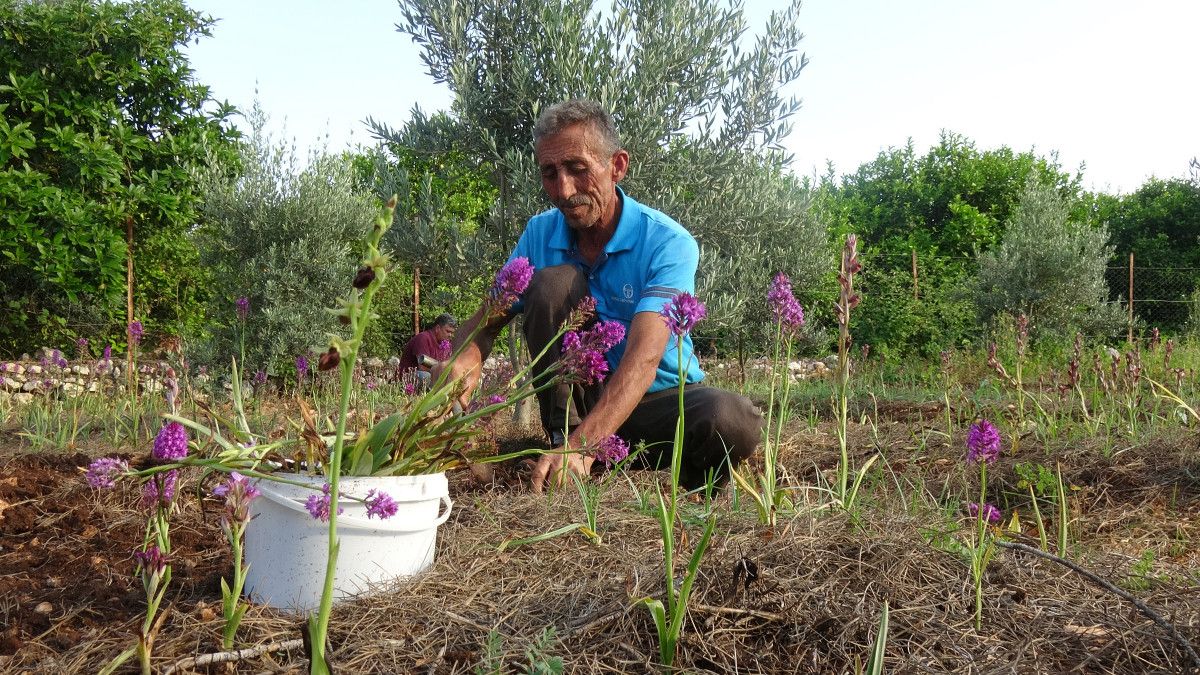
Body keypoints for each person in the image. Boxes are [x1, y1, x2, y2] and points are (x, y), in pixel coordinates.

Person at [441, 99, 762, 492]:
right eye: (549, 173)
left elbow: (646, 357)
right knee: (549, 283)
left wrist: (587, 444)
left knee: (732, 417)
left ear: (617, 166)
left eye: (578, 169)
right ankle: (565, 449)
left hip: (658, 405)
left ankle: (680, 484)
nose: (564, 190)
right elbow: (488, 320)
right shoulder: (539, 234)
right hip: (584, 405)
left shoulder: (667, 241)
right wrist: (462, 360)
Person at [399, 313, 456, 388]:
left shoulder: (446, 344)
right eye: (448, 331)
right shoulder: (423, 338)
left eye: (452, 333)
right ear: (438, 328)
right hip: (408, 377)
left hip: (434, 375)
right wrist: (443, 368)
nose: (450, 335)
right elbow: (423, 366)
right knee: (425, 376)